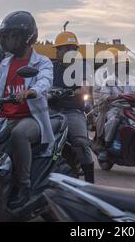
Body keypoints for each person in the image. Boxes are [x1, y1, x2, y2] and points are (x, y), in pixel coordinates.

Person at [0, 11, 54, 209]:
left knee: (19, 134)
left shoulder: (42, 62)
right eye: (7, 36)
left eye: (13, 36)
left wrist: (31, 91)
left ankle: (24, 186)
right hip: (4, 118)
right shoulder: (6, 63)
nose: (9, 41)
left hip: (31, 118)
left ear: (27, 37)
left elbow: (45, 81)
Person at [52, 31, 95, 183]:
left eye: (60, 49)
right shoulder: (51, 67)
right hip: (51, 112)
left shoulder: (82, 67)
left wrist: (71, 91)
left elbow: (84, 88)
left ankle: (91, 186)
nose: (57, 52)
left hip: (72, 111)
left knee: (81, 143)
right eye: (58, 49)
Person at [98, 51, 135, 160]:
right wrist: (117, 97)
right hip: (116, 108)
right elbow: (103, 97)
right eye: (122, 65)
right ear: (115, 67)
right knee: (113, 120)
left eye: (127, 65)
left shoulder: (133, 80)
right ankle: (106, 146)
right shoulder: (109, 80)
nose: (125, 67)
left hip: (133, 109)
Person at [93, 47, 120, 150]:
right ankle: (100, 138)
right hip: (105, 103)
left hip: (122, 104)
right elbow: (97, 92)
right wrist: (104, 100)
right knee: (103, 113)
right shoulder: (100, 73)